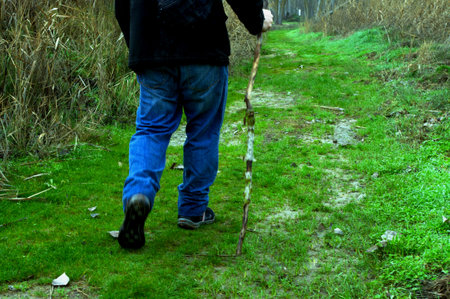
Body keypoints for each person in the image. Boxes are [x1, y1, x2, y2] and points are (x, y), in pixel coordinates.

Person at [115, 0, 273, 249]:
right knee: (203, 131)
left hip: (152, 49)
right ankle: (193, 209)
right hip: (204, 47)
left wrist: (138, 44)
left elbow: (121, 7)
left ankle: (139, 194)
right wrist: (256, 18)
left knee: (151, 130)